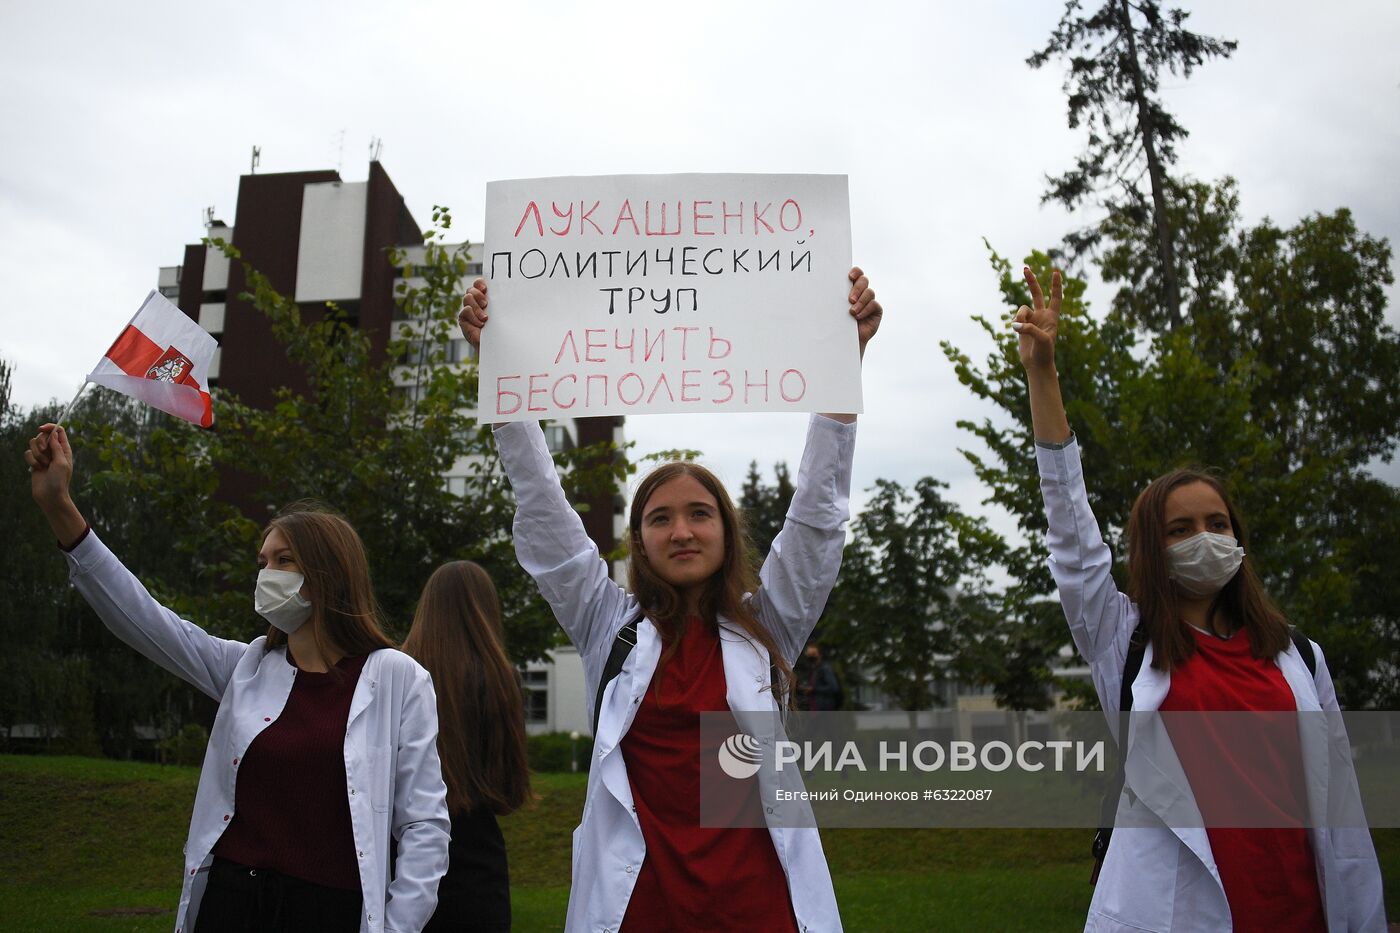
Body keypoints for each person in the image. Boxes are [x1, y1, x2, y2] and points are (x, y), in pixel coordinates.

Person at [458, 267, 881, 932]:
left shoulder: (769, 626)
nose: (681, 530)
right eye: (660, 518)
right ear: (639, 541)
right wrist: (500, 371)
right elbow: (544, 507)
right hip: (639, 912)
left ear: (725, 529)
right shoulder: (609, 628)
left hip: (761, 912)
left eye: (699, 513)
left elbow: (817, 519)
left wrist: (841, 366)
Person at [1014, 267, 1385, 932]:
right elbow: (1069, 525)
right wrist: (1044, 373)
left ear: (1238, 534)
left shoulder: (1299, 655)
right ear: (1151, 549)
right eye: (1180, 529)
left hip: (1302, 909)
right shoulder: (1123, 641)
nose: (1204, 538)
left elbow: (1344, 812)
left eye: (1217, 523)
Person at [24, 424, 450, 933]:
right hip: (230, 905)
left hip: (326, 913)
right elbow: (141, 618)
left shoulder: (398, 678)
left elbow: (424, 826)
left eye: (284, 560)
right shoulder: (246, 666)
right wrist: (59, 507)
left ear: (329, 573)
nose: (266, 572)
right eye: (263, 561)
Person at [401, 561, 531, 933]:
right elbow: (509, 789)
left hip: (405, 850)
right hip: (478, 858)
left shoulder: (397, 674)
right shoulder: (500, 679)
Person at [795, 641, 842, 711]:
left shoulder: (825, 668)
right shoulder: (813, 670)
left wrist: (813, 689)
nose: (811, 657)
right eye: (809, 654)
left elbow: (833, 687)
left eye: (813, 654)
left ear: (819, 655)